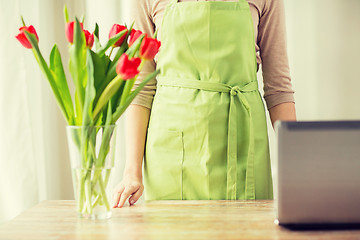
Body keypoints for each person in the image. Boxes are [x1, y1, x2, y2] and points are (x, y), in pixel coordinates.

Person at [112, 0, 296, 208]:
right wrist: (131, 171)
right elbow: (140, 88)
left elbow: (278, 89)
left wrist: (299, 166)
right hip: (170, 152)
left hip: (244, 144)